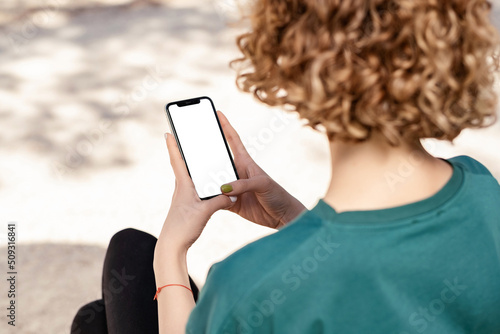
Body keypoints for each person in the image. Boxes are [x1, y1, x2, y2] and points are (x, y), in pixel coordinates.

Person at [71, 0, 500, 333]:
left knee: (117, 283)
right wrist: (295, 220)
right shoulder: (483, 189)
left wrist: (170, 253)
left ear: (292, 58)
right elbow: (378, 263)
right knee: (97, 316)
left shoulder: (249, 286)